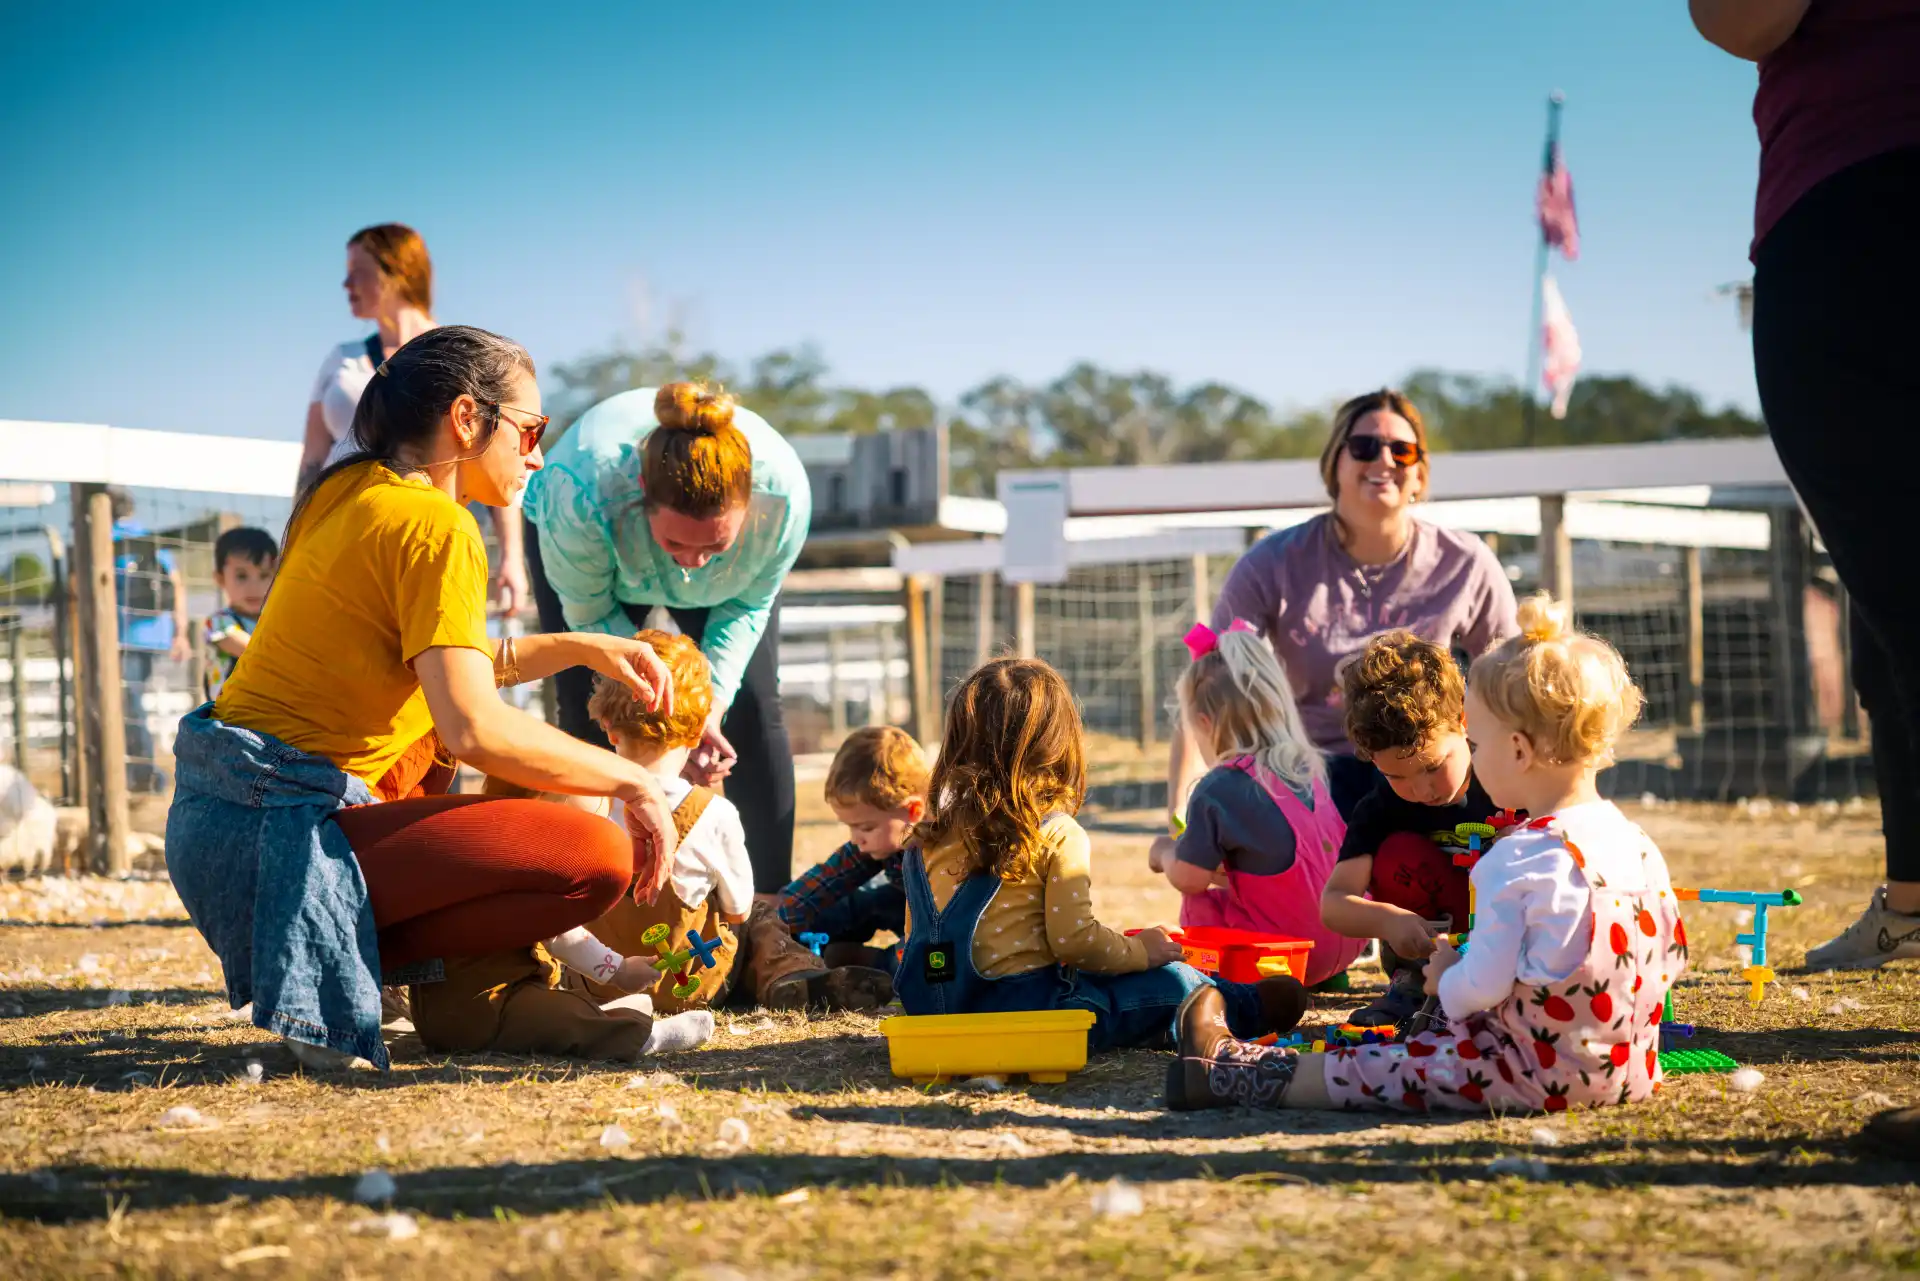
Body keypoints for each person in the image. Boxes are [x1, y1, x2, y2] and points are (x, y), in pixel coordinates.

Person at [166, 325, 686, 1072]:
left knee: (434, 747)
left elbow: (441, 664)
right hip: (284, 838)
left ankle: (425, 984)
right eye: (531, 429)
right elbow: (472, 724)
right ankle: (380, 978)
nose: (537, 453)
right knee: (594, 855)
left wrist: (579, 644)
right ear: (468, 419)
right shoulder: (438, 525)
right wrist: (636, 781)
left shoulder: (346, 489)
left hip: (219, 825)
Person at [1167, 597, 1686, 1115]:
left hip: (1528, 1073)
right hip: (1627, 1072)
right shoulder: (1638, 844)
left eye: (1477, 745)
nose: (1473, 761)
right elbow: (1672, 960)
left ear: (1519, 751)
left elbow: (1473, 991)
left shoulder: (1519, 857)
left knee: (1373, 1070)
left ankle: (1230, 1072)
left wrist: (1445, 975)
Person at [1691, 0, 1920, 1156]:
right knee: (1891, 623)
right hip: (1843, 196)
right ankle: (1913, 907)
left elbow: (1740, 17)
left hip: (1860, 207)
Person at [895, 656, 1311, 1051]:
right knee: (1170, 981)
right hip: (1027, 1015)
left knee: (1092, 974)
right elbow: (1074, 943)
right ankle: (1244, 1006)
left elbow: (921, 939)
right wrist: (1143, 951)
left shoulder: (925, 840)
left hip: (933, 1011)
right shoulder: (1055, 832)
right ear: (1058, 745)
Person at [1163, 389, 1517, 826]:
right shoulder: (1273, 562)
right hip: (1309, 782)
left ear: (1420, 475)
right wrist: (1184, 811)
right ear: (1334, 464)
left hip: (1431, 781)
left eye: (1402, 451)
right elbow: (1209, 682)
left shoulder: (1467, 562)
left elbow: (1512, 686)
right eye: (1364, 446)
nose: (1384, 460)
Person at [524, 382, 810, 894]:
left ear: (749, 508)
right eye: (676, 541)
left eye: (715, 546)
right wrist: (661, 710)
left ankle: (772, 908)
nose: (693, 563)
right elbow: (590, 617)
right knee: (590, 708)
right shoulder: (580, 493)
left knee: (753, 706)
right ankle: (592, 894)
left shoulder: (785, 501)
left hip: (731, 588)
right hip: (598, 566)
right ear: (641, 493)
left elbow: (746, 607)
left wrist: (705, 712)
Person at [298, 223, 527, 615]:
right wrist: (298, 540)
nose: (345, 282)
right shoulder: (341, 358)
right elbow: (312, 460)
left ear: (396, 270)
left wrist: (511, 556)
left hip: (430, 533)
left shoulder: (458, 353)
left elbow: (496, 449)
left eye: (358, 270)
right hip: (347, 530)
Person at [1320, 632, 1523, 1027]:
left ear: (1463, 721)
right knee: (1397, 853)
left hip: (1509, 948)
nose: (1422, 790)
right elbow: (1334, 903)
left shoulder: (1510, 780)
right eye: (1397, 775)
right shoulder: (1382, 804)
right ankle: (1413, 988)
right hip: (1431, 957)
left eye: (1433, 766)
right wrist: (1388, 921)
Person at [1153, 620, 1368, 988]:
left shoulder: (1220, 786)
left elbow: (1188, 878)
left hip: (1279, 963)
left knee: (1199, 900)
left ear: (1205, 723)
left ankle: (1210, 984)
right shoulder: (1309, 767)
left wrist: (1164, 852)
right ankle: (1326, 976)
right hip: (1343, 942)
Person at [776, 725, 927, 971]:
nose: (856, 839)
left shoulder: (949, 851)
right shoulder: (883, 841)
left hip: (937, 923)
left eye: (866, 828)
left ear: (913, 811)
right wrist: (776, 922)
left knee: (928, 960)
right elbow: (826, 880)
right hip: (901, 905)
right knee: (851, 904)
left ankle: (868, 961)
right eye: (851, 827)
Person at [110, 489, 189, 793]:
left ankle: (143, 774)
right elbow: (177, 584)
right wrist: (179, 632)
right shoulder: (149, 537)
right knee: (131, 703)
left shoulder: (108, 538)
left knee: (127, 704)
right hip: (153, 634)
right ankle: (138, 772)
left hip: (121, 636)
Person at [202, 527, 277, 701]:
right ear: (220, 578)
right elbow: (254, 653)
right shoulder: (219, 622)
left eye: (264, 575)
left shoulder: (273, 622)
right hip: (226, 721)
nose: (254, 587)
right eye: (242, 576)